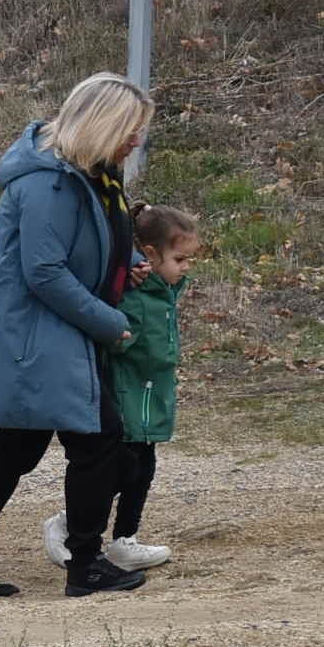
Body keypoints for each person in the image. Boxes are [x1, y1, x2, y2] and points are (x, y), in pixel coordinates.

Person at [0, 72, 158, 599]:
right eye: (130, 129)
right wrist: (110, 322)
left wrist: (128, 260)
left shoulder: (92, 174)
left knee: (17, 446)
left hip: (55, 335)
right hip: (40, 336)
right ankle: (85, 564)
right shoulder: (47, 182)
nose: (136, 140)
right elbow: (45, 272)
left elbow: (95, 235)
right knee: (97, 439)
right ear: (102, 125)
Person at [61, 201, 199, 574]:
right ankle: (72, 522)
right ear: (150, 255)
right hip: (129, 396)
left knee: (143, 469)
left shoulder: (163, 291)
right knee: (124, 469)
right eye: (180, 259)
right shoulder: (133, 296)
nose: (186, 267)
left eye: (189, 259)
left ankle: (125, 539)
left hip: (152, 396)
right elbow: (118, 342)